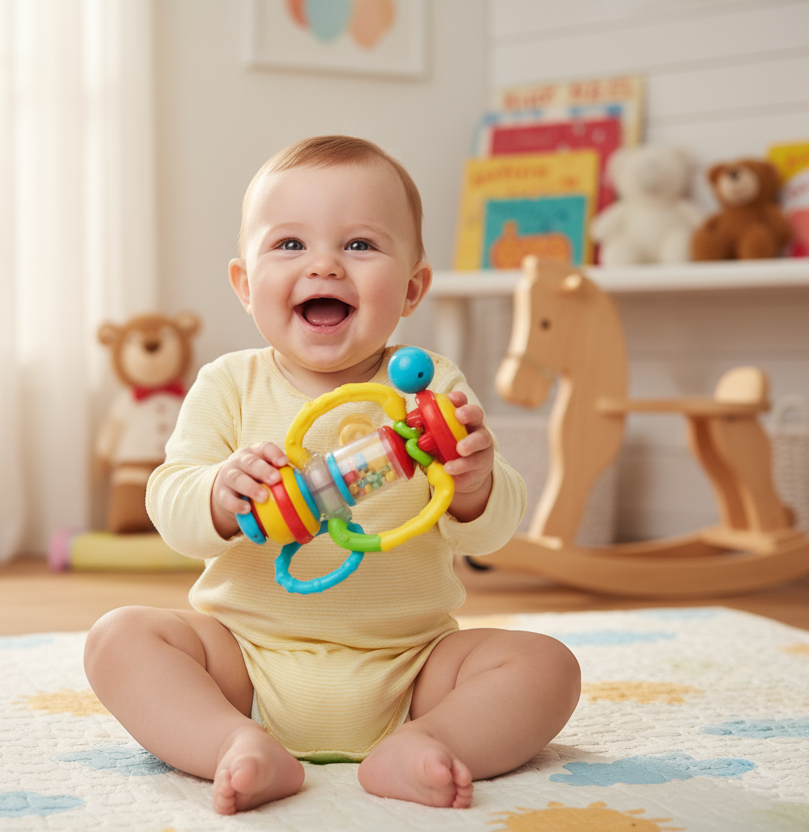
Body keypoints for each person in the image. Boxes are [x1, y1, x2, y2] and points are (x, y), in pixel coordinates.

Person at [84, 135, 581, 815]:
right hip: (246, 662)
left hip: (411, 669)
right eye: (289, 245)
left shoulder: (428, 391)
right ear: (244, 283)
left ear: (412, 288)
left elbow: (491, 534)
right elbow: (171, 503)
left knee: (548, 666)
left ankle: (427, 742)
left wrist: (475, 486)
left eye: (359, 246)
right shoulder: (228, 384)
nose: (324, 265)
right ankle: (232, 743)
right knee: (120, 637)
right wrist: (219, 494)